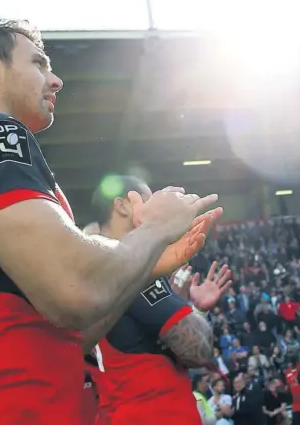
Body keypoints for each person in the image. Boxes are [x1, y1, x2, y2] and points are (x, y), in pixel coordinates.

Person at [0, 19, 222, 425]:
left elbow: (74, 333)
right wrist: (156, 228)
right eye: (38, 64)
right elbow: (75, 293)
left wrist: (145, 266)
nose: (55, 81)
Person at [88, 176, 231, 425]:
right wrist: (187, 307)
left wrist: (189, 306)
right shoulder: (132, 268)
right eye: (148, 199)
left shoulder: (96, 267)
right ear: (122, 206)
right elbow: (197, 350)